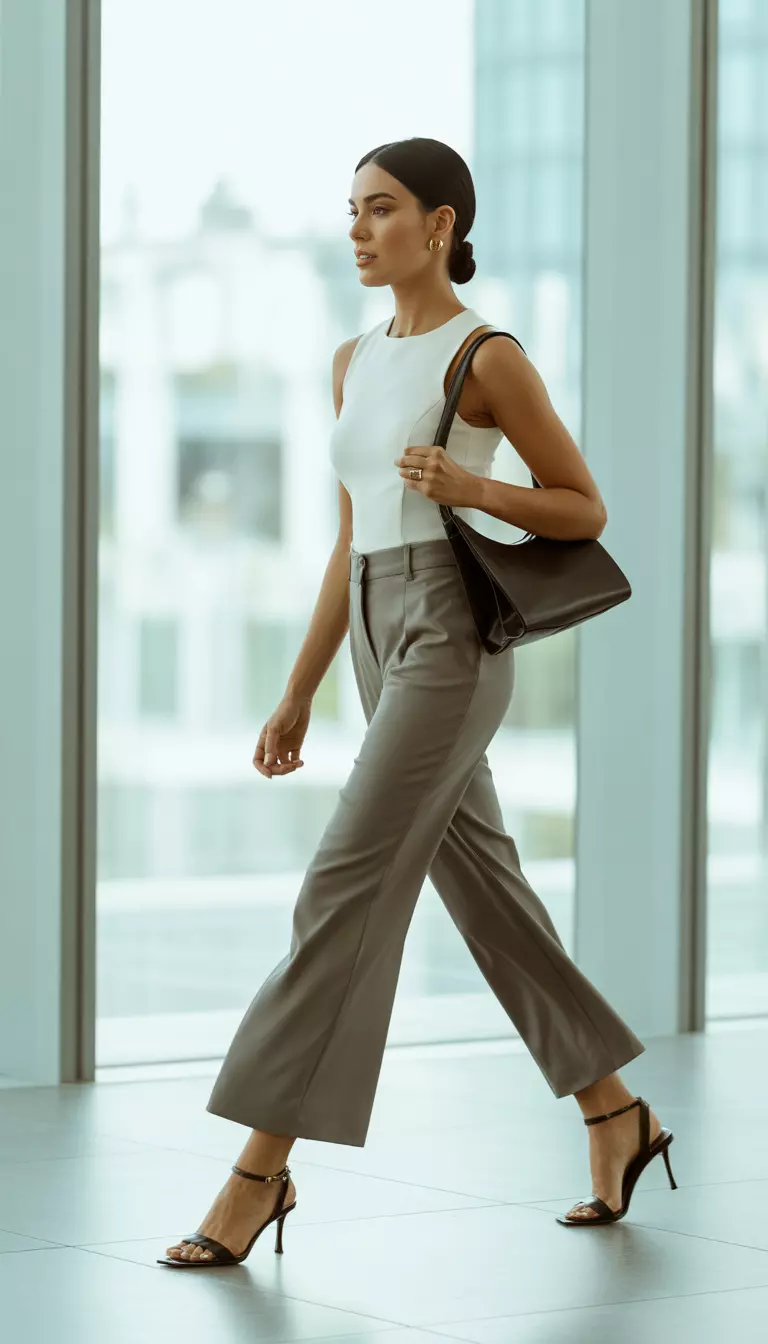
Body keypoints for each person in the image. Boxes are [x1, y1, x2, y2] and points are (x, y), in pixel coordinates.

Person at [159, 138, 675, 1269]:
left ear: (440, 225)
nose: (359, 229)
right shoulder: (352, 361)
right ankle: (615, 1111)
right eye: (350, 211)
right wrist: (296, 692)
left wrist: (475, 486)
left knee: (344, 885)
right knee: (486, 893)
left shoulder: (484, 355)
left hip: (451, 635)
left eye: (381, 210)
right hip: (376, 635)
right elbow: (351, 538)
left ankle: (260, 1172)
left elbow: (582, 507)